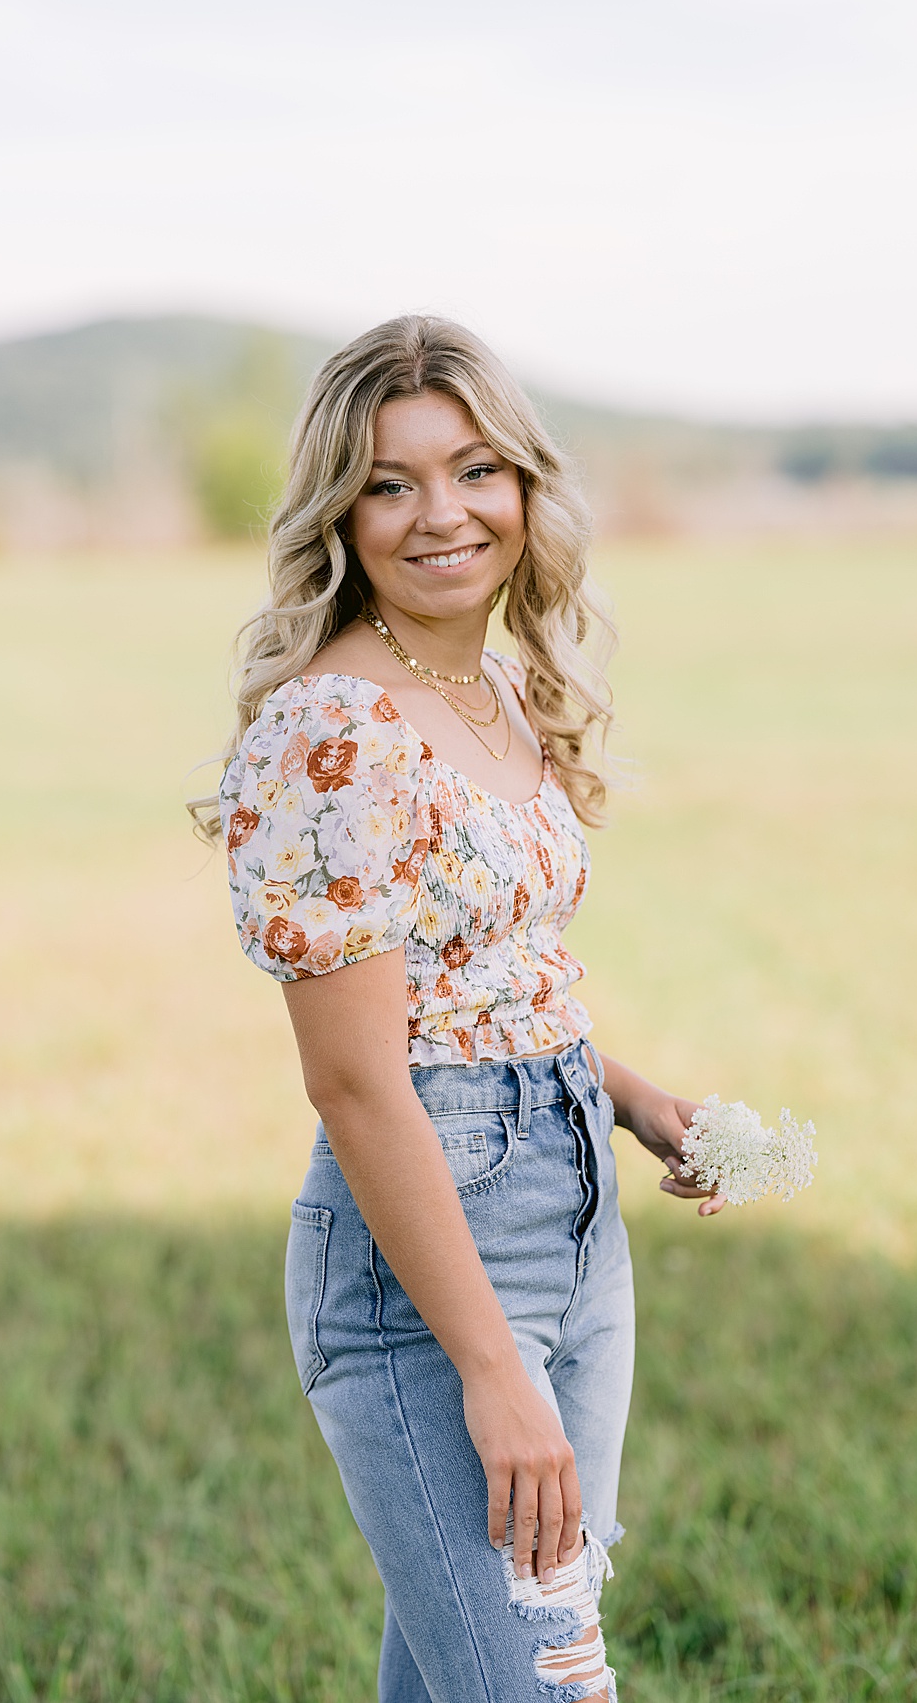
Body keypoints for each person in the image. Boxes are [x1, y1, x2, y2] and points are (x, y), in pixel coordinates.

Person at [200, 316, 725, 1703]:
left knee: (465, 1677)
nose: (444, 514)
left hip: (573, 1209)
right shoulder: (332, 733)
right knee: (545, 1682)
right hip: (428, 1256)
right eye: (391, 482)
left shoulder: (495, 689)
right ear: (341, 515)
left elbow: (473, 983)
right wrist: (490, 1372)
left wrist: (627, 1096)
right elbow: (362, 1082)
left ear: (527, 490)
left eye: (477, 469)